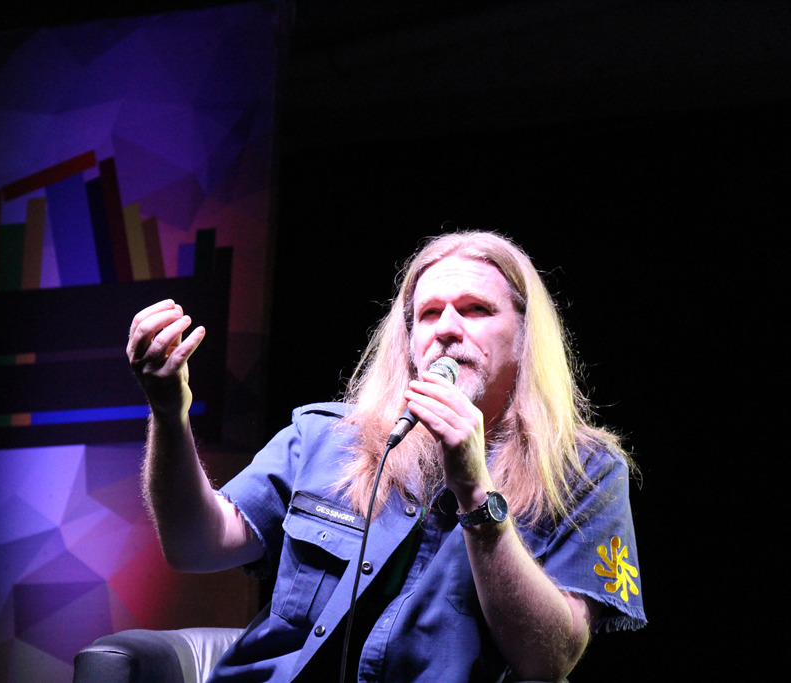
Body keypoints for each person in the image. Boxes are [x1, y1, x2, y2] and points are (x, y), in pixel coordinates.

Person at [127, 231, 645, 683]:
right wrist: (170, 414)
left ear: (525, 336)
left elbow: (549, 661)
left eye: (476, 309)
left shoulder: (587, 471)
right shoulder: (327, 435)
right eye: (428, 314)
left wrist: (475, 492)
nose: (446, 328)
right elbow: (195, 547)